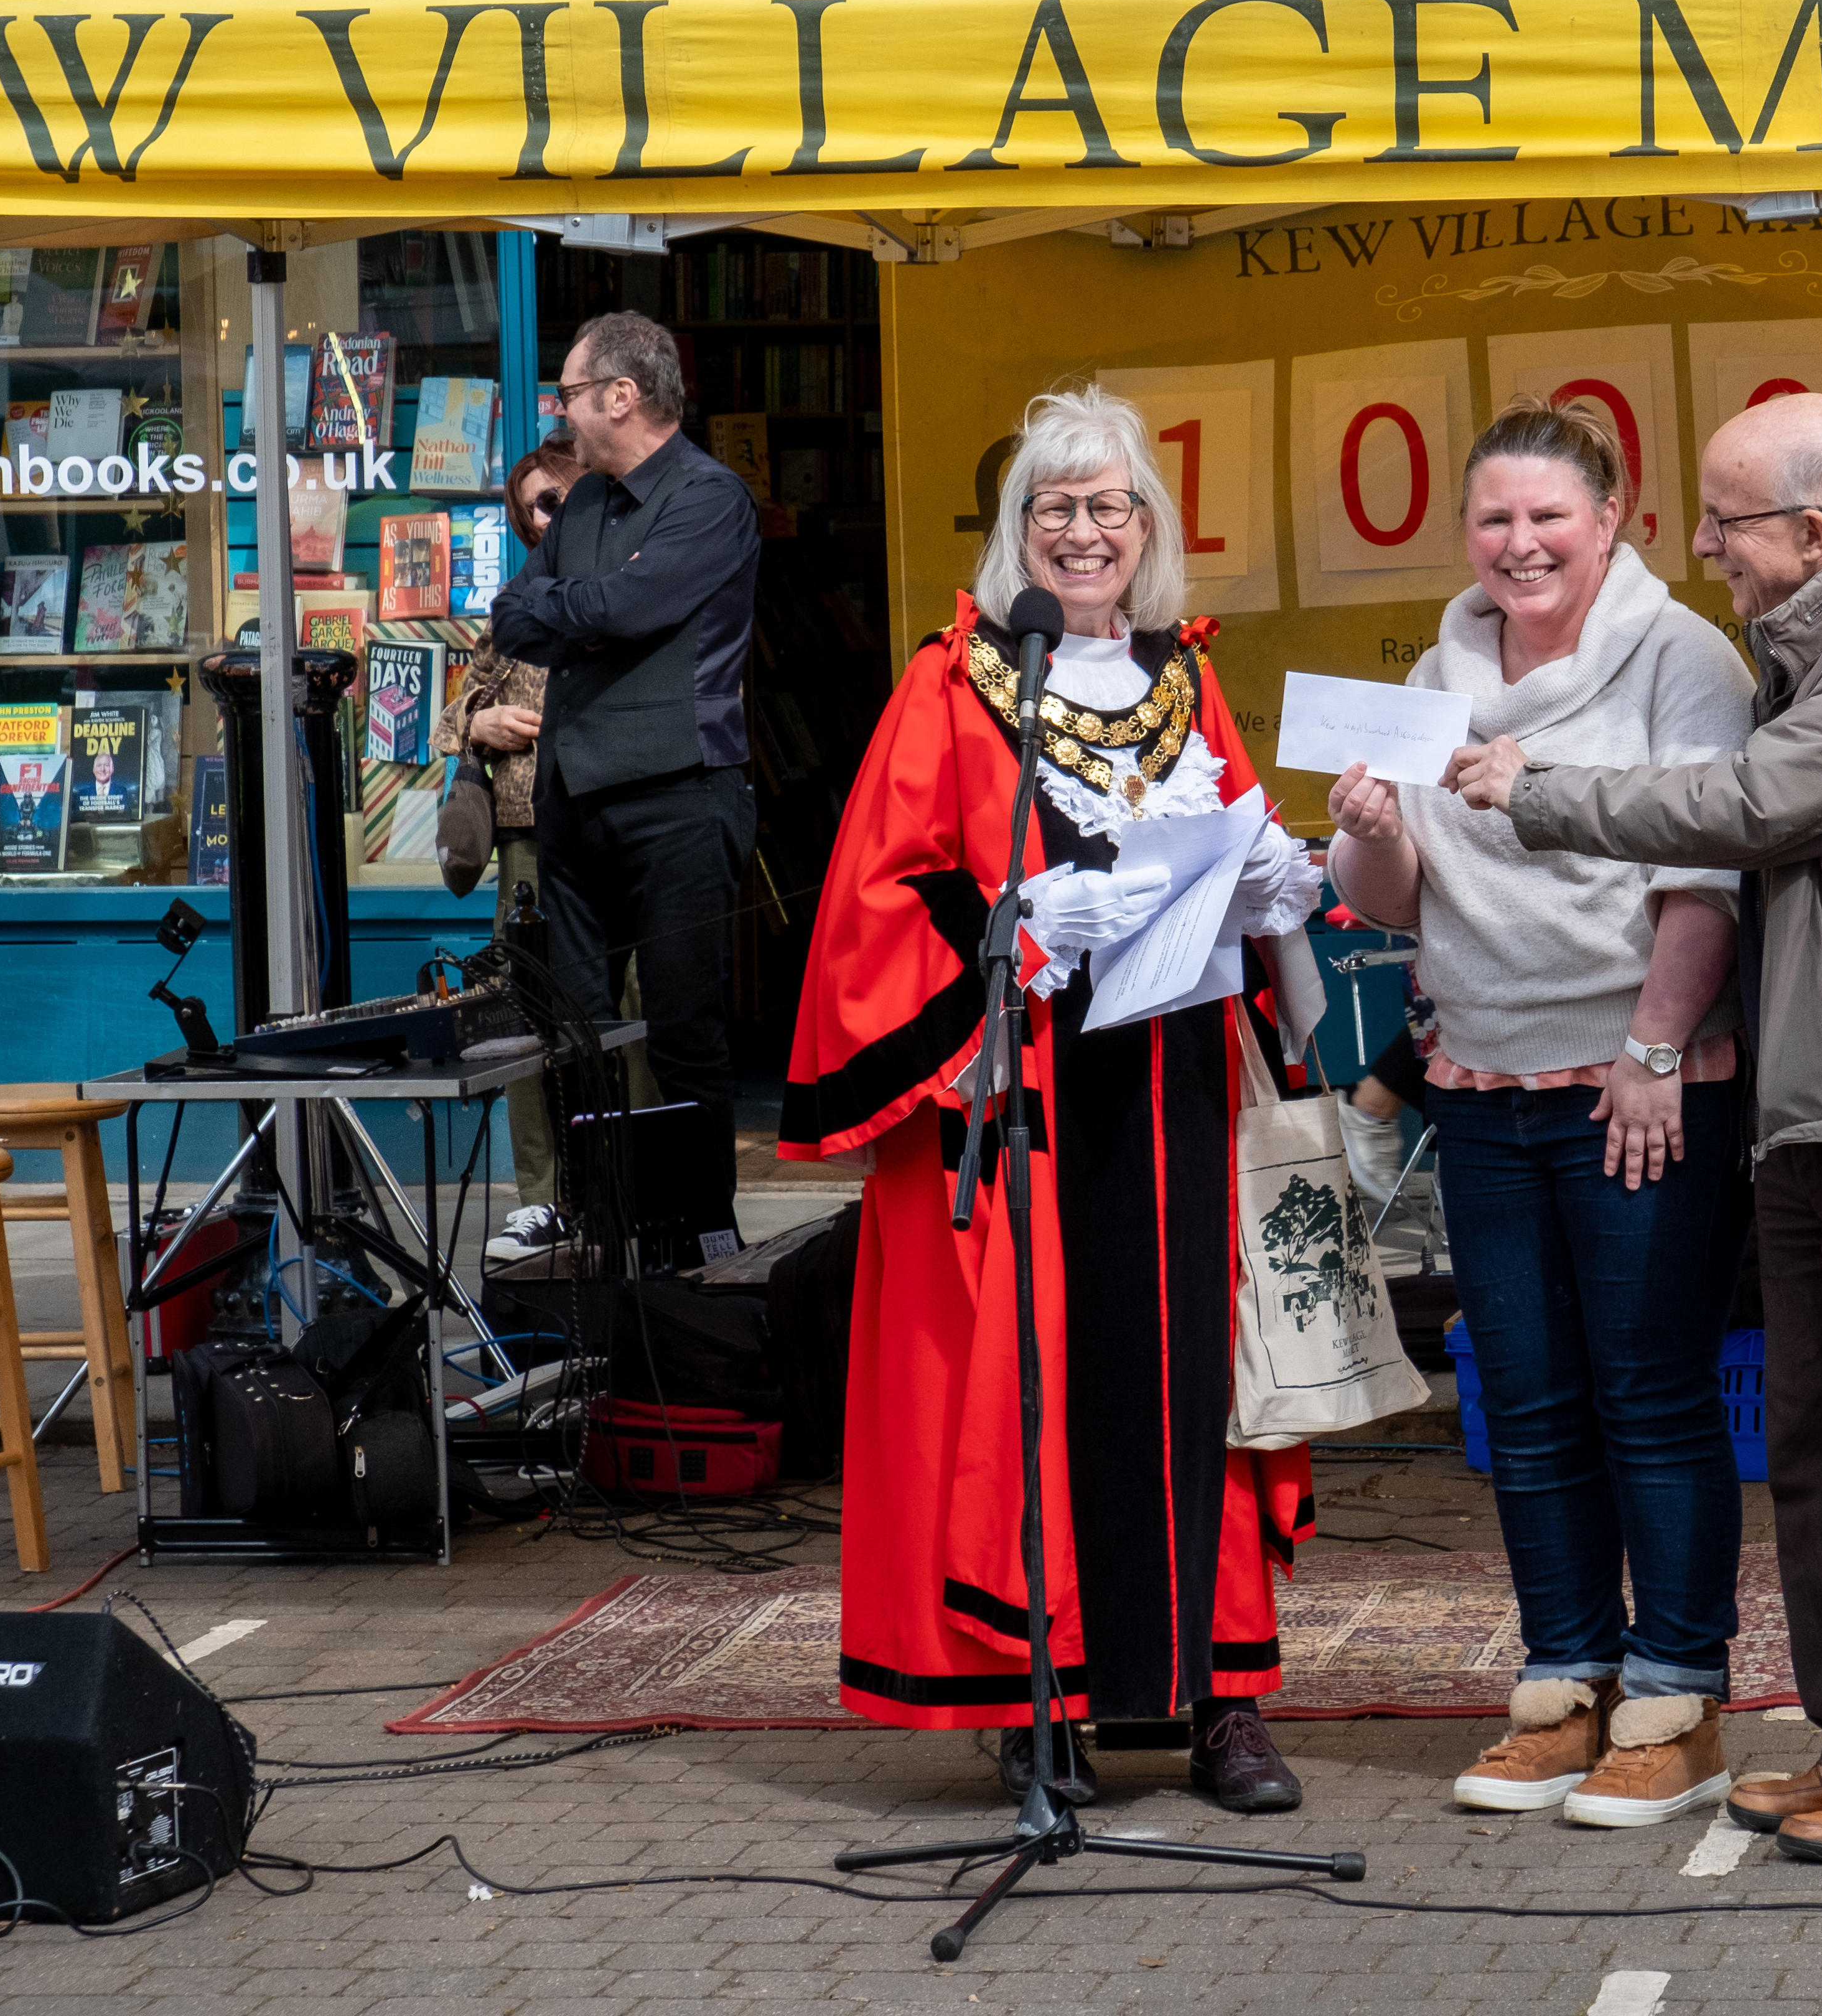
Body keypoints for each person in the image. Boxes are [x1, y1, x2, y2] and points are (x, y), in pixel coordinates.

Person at [1446, 391, 1822, 1866]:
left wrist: (1542, 790)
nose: (1706, 543)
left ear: (1816, 529)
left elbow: (1754, 802)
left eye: (1726, 520)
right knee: (1814, 1446)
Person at [780, 385, 1325, 1814]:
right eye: (1054, 507)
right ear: (1015, 531)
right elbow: (873, 902)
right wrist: (1017, 929)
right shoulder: (950, 680)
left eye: (1108, 506)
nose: (1083, 531)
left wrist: (1275, 889)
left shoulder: (1188, 678)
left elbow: (1245, 843)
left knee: (1199, 1385)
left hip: (1176, 1084)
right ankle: (1043, 1702)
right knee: (1040, 1392)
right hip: (1027, 1093)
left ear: (1147, 528)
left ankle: (1221, 1699)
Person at [1325, 398, 1754, 1831]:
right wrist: (1376, 833)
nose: (1519, 544)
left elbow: (1707, 870)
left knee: (1650, 1387)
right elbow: (1393, 905)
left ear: (1612, 517)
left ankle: (1681, 1697)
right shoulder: (1437, 671)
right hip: (1478, 1085)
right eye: (1494, 519)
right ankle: (1564, 1685)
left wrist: (1652, 1044)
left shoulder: (1683, 658)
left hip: (1634, 1079)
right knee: (1526, 1397)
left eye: (1547, 517)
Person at [490, 312, 759, 1217]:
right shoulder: (588, 504)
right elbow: (512, 615)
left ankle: (697, 1237)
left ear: (621, 395)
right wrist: (589, 609)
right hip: (575, 801)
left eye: (568, 393)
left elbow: (632, 607)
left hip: (677, 797)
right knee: (576, 1032)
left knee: (683, 1034)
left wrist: (584, 609)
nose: (561, 413)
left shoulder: (708, 496)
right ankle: (599, 1230)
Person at [437, 434, 593, 1228]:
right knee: (528, 1015)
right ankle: (540, 1195)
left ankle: (621, 1185)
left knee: (617, 1012)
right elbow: (451, 714)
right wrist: (481, 719)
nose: (544, 517)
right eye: (532, 506)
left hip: (604, 826)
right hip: (526, 832)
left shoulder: (620, 581)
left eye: (554, 498)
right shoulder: (519, 599)